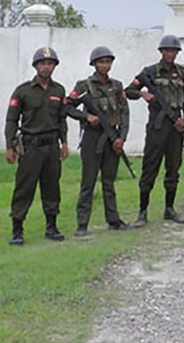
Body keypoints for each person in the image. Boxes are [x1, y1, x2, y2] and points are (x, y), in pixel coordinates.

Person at [125, 34, 184, 226]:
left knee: (173, 168)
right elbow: (128, 91)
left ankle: (169, 209)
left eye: (173, 51)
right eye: (167, 51)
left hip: (176, 126)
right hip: (157, 126)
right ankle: (142, 212)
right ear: (161, 52)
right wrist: (142, 93)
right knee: (150, 167)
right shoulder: (149, 72)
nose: (170, 54)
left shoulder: (182, 73)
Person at [4, 47, 69, 245]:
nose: (46, 67)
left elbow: (61, 119)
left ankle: (52, 226)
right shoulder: (23, 91)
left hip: (51, 146)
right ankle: (17, 229)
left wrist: (64, 142)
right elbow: (12, 119)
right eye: (42, 63)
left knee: (52, 187)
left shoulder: (59, 90)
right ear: (36, 66)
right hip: (31, 147)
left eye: (50, 64)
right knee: (24, 188)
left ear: (54, 66)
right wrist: (9, 145)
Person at [65, 46, 130, 236]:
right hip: (92, 138)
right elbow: (67, 106)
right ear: (94, 64)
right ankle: (82, 224)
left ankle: (113, 220)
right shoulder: (84, 85)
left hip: (112, 136)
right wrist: (86, 117)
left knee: (109, 182)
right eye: (101, 62)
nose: (105, 65)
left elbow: (124, 112)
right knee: (88, 182)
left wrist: (122, 138)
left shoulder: (117, 86)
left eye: (108, 61)